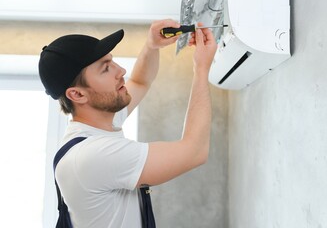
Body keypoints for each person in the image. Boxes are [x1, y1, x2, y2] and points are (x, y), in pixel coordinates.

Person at [38, 19, 217, 228]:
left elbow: (140, 82)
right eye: (106, 69)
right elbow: (195, 152)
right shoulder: (93, 155)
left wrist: (152, 45)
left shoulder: (96, 125)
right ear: (77, 94)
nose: (121, 70)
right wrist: (201, 69)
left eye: (112, 61)